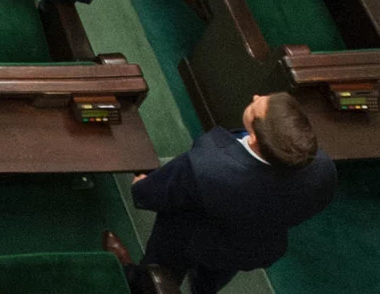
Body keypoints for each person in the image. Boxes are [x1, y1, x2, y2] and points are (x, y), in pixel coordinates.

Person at [128, 92, 336, 294]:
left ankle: (137, 283)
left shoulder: (208, 165)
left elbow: (155, 193)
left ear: (254, 138)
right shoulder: (324, 169)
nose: (255, 96)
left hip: (188, 238)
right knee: (212, 278)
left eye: (256, 107)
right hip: (248, 247)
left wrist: (140, 186)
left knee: (157, 274)